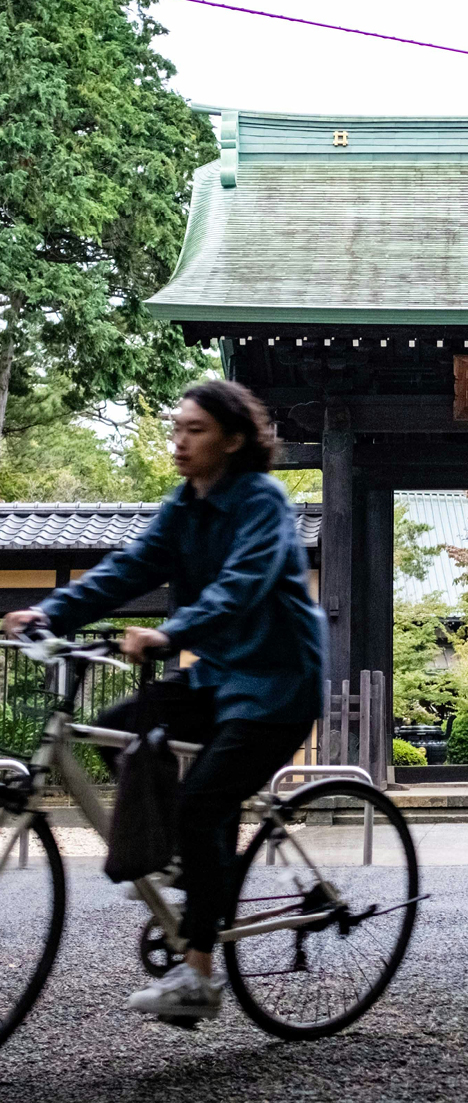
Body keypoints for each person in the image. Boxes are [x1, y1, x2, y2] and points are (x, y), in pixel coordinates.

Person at [3, 381, 326, 1022]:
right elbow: (132, 566)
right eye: (176, 426)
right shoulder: (184, 505)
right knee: (117, 731)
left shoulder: (261, 500)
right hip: (216, 679)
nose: (179, 440)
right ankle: (190, 865)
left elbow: (241, 585)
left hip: (275, 686)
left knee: (207, 802)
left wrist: (170, 632)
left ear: (233, 440)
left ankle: (200, 977)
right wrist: (51, 610)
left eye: (196, 429)